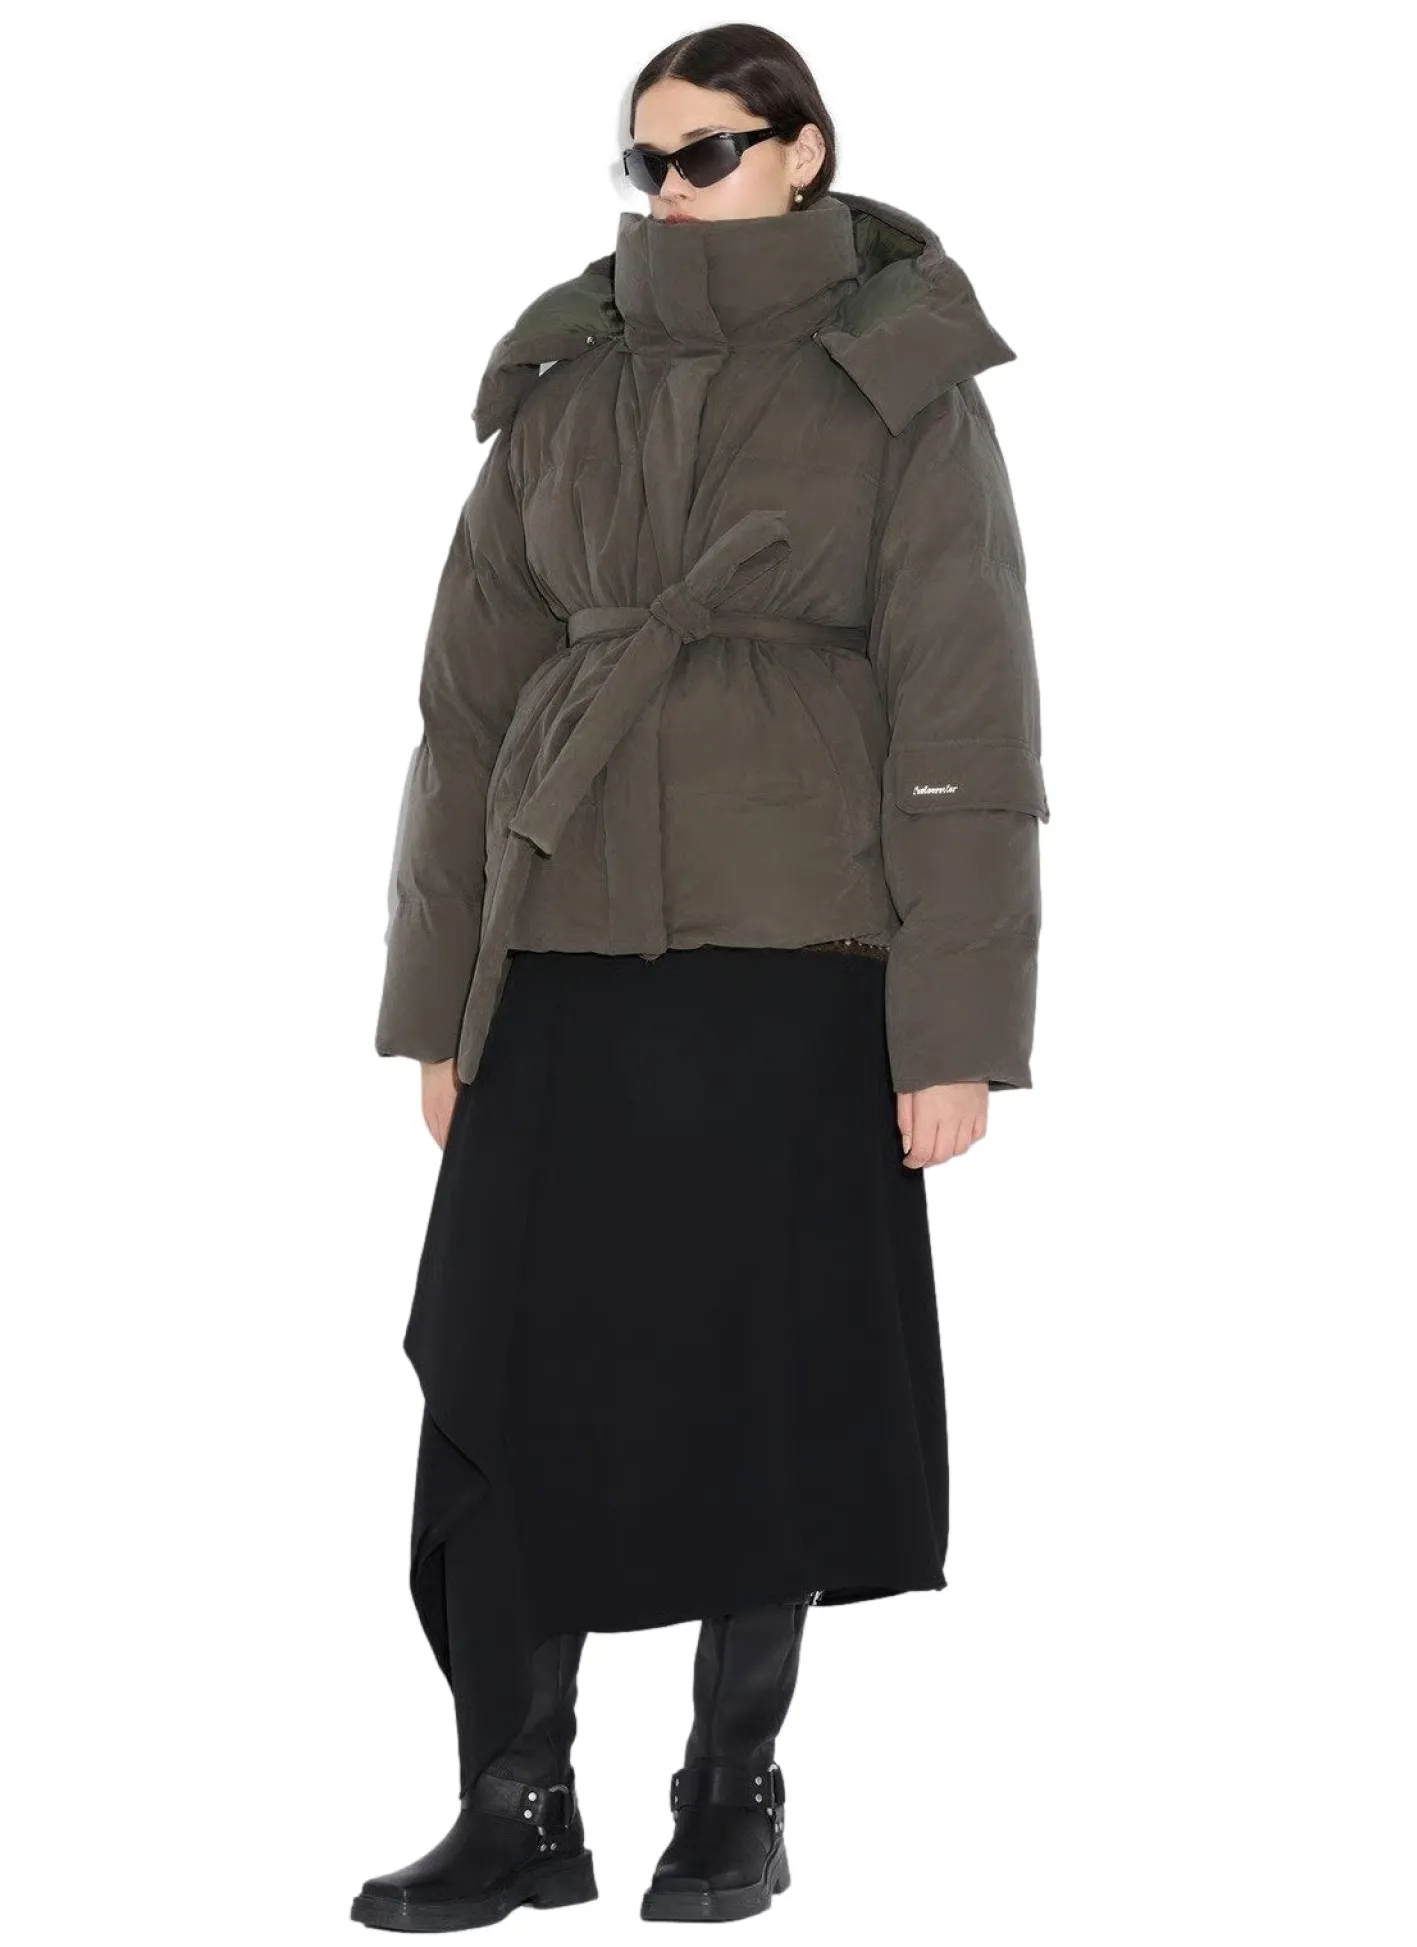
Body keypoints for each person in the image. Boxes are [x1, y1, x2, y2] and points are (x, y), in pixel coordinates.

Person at [352, 20, 1048, 1933]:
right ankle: (517, 1799)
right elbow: (462, 718)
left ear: (804, 150)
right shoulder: (564, 382)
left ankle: (732, 1789)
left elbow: (969, 719)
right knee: (507, 1373)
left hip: (794, 956)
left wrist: (955, 1031)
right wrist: (439, 1007)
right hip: (562, 943)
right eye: (644, 161)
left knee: (762, 1376)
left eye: (707, 153)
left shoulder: (901, 383)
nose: (669, 190)